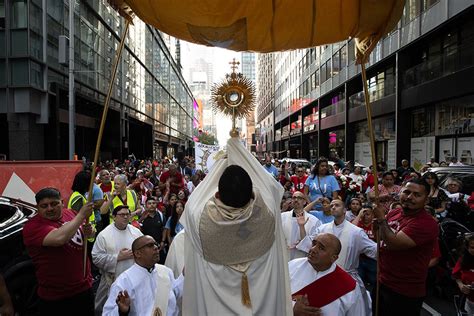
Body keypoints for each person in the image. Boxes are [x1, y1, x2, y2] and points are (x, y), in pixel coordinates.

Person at [182, 137, 292, 316]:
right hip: (261, 304)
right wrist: (239, 152)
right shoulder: (267, 213)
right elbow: (272, 187)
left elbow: (193, 202)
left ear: (217, 194)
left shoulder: (199, 220)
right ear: (251, 195)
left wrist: (223, 161)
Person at [22, 187, 95, 315]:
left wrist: (90, 231)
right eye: (44, 206)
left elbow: (87, 232)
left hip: (84, 289)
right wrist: (81, 215)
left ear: (62, 202)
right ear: (37, 207)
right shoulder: (32, 227)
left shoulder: (70, 214)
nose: (49, 208)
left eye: (54, 204)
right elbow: (59, 238)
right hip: (56, 297)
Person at [297, 199, 376, 314]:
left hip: (346, 278)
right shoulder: (322, 229)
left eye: (337, 205)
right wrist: (301, 227)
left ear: (345, 210)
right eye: (332, 205)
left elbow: (373, 250)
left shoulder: (357, 232)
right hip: (322, 277)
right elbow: (308, 245)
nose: (333, 207)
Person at [372, 178, 439, 315]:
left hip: (405, 291)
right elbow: (380, 239)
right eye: (407, 192)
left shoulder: (426, 223)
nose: (409, 197)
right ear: (400, 192)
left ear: (426, 200)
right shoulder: (394, 213)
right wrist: (377, 226)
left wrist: (381, 220)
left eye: (417, 195)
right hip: (382, 282)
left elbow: (393, 243)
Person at [102, 235, 183, 316]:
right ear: (137, 253)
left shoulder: (165, 271)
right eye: (150, 245)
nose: (156, 248)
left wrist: (184, 275)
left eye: (156, 244)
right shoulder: (124, 281)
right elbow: (107, 314)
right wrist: (122, 311)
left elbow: (174, 293)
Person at [289, 233, 365, 315]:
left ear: (334, 258)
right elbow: (275, 294)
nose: (313, 249)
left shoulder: (349, 286)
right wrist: (291, 308)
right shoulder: (292, 266)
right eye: (314, 244)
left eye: (321, 248)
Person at [91, 205, 143, 315]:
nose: (125, 217)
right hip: (112, 279)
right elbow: (96, 257)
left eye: (127, 214)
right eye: (122, 215)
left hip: (134, 278)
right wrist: (117, 257)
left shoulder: (136, 233)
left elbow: (144, 249)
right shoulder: (104, 235)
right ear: (114, 217)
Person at [281, 191, 321, 260]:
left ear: (304, 202)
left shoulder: (314, 221)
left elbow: (314, 243)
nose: (296, 200)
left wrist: (303, 241)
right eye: (294, 198)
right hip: (283, 257)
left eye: (299, 198)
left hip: (302, 258)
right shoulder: (282, 217)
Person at [139, 197, 167, 262]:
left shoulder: (161, 215)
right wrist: (141, 219)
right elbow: (137, 227)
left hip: (159, 246)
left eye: (153, 203)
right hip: (146, 246)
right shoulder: (142, 216)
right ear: (146, 205)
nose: (151, 205)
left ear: (156, 205)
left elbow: (164, 229)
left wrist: (163, 241)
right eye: (149, 203)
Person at [452, 234, 474, 314]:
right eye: (472, 247)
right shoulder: (463, 260)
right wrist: (461, 285)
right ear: (467, 248)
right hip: (468, 301)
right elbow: (456, 276)